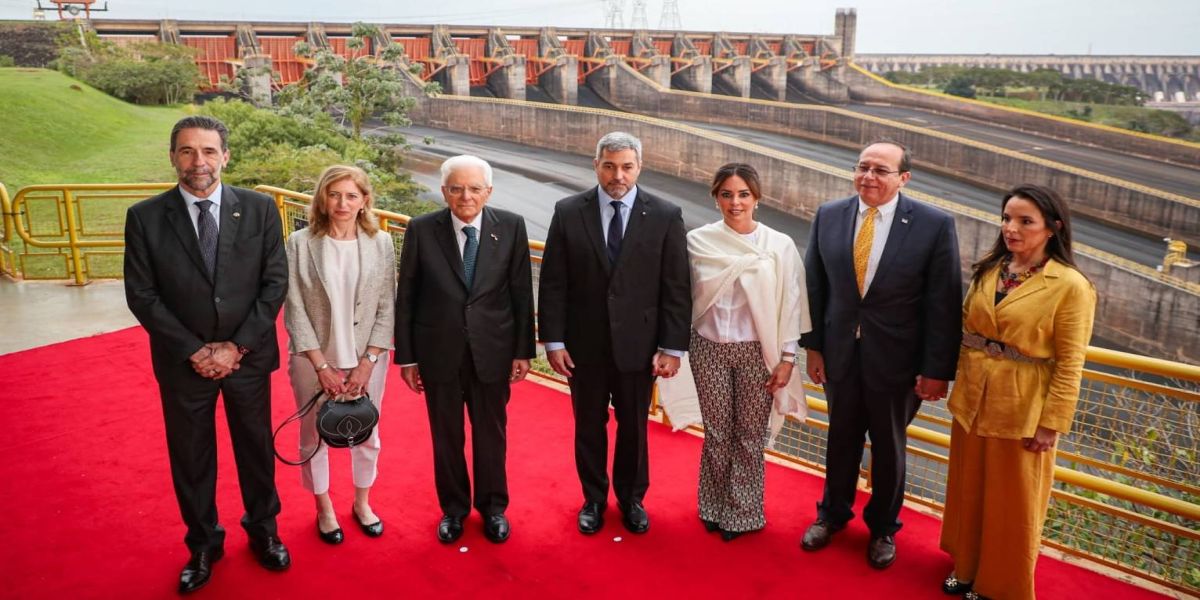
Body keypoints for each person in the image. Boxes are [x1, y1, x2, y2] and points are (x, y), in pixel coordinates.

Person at [123, 115, 290, 593]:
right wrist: (196, 351)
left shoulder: (259, 209)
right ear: (173, 155)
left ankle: (264, 531)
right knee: (191, 457)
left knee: (254, 450)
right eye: (188, 151)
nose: (199, 162)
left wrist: (236, 347)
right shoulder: (146, 217)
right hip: (184, 364)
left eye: (209, 151)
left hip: (247, 359)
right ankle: (202, 544)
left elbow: (273, 283)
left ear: (226, 156)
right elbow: (143, 294)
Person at [800, 139, 963, 569]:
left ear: (903, 178)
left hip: (898, 362)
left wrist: (936, 371)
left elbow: (943, 304)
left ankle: (883, 529)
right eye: (862, 167)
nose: (868, 176)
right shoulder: (830, 215)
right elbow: (815, 287)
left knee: (889, 448)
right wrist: (813, 347)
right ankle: (831, 515)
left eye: (880, 170)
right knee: (840, 440)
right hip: (838, 354)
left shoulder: (933, 225)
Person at [939, 184, 1096, 600]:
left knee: (1014, 504)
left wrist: (1052, 423)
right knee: (969, 492)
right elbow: (965, 327)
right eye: (1007, 218)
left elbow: (1070, 362)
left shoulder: (1071, 286)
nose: (1011, 228)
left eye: (1025, 221)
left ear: (1052, 229)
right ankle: (967, 568)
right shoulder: (992, 269)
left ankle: (1000, 586)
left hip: (1024, 408)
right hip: (973, 401)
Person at [538, 131, 692, 535]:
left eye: (626, 166)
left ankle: (631, 499)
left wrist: (672, 347)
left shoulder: (665, 214)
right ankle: (592, 499)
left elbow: (676, 287)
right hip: (582, 348)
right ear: (596, 166)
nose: (617, 175)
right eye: (609, 166)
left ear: (639, 167)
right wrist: (553, 341)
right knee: (588, 426)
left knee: (634, 428)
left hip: (639, 348)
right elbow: (553, 280)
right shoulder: (569, 210)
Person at [394, 155, 535, 545]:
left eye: (474, 188)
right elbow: (406, 295)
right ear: (444, 192)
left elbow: (521, 292)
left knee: (492, 435)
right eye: (456, 188)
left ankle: (493, 509)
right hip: (438, 352)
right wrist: (406, 356)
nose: (465, 196)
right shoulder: (422, 229)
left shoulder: (510, 226)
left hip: (493, 351)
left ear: (488, 191)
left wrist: (523, 351)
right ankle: (453, 510)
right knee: (446, 437)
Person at [685, 163, 811, 541]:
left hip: (759, 353)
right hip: (708, 349)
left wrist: (788, 359)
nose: (735, 202)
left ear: (757, 198)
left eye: (743, 194)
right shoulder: (698, 241)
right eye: (726, 194)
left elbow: (791, 303)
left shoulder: (779, 245)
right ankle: (712, 505)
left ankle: (743, 513)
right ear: (715, 197)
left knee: (750, 435)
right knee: (717, 433)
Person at [283, 165, 395, 545]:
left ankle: (362, 503)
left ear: (365, 201)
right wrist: (323, 366)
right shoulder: (299, 243)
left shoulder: (381, 243)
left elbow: (387, 306)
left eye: (351, 195)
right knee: (314, 434)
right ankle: (324, 507)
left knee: (366, 430)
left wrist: (369, 362)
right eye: (334, 195)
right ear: (322, 199)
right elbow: (294, 308)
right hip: (313, 360)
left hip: (368, 360)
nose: (342, 203)